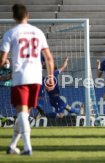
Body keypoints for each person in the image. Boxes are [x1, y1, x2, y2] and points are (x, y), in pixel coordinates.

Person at [0, 4, 55, 155]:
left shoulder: (10, 33)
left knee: (21, 113)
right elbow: (49, 58)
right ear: (28, 15)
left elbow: (2, 59)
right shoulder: (38, 32)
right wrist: (50, 77)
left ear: (13, 17)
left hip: (20, 77)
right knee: (25, 114)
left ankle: (27, 148)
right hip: (36, 77)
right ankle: (12, 146)